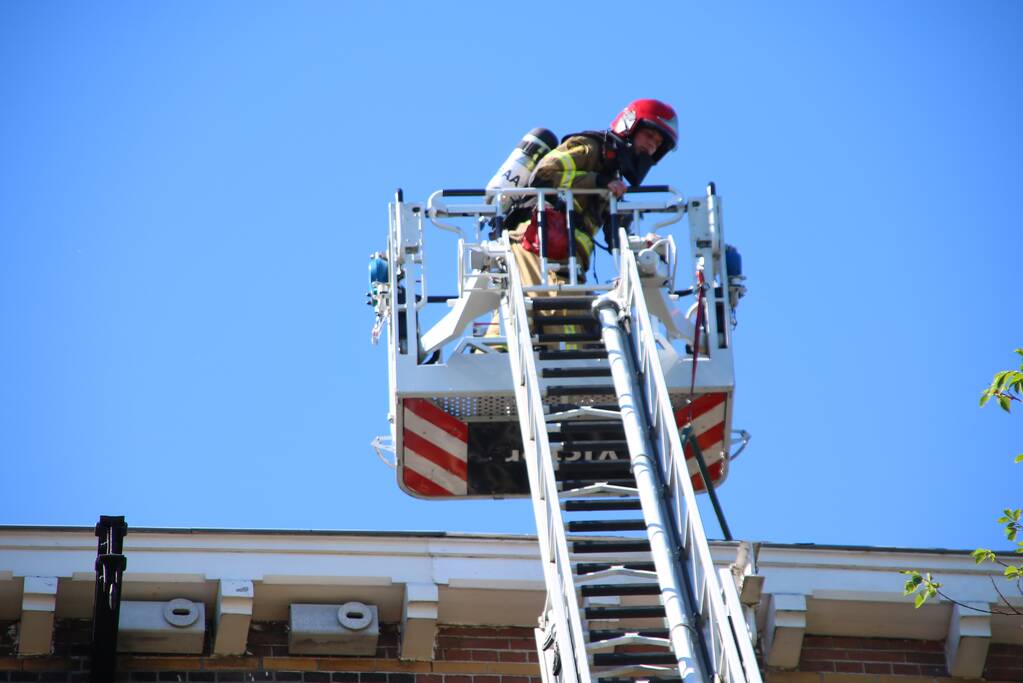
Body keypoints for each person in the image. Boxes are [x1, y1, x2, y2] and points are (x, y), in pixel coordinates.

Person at [494, 99, 679, 344]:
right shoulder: (590, 148)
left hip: (565, 258)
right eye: (648, 136)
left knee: (574, 320)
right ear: (629, 126)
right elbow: (545, 174)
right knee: (562, 317)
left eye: (657, 144)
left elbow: (616, 230)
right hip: (536, 243)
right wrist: (598, 183)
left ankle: (495, 353)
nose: (651, 147)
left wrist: (641, 248)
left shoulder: (615, 175)